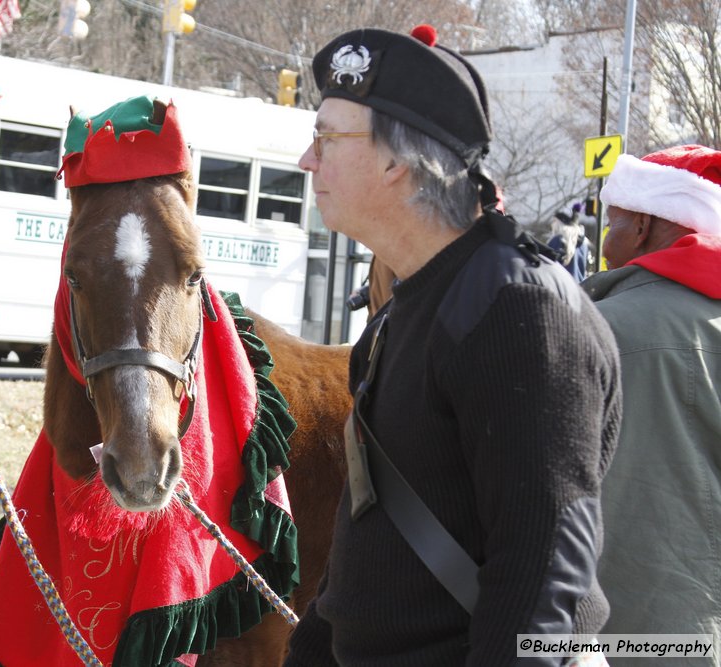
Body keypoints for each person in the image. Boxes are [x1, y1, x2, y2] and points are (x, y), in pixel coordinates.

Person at [284, 25, 621, 665]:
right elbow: (373, 539)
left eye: (327, 137)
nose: (308, 159)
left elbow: (543, 583)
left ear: (397, 163)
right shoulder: (410, 306)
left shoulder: (520, 313)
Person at [583, 144, 721, 664]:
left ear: (642, 225)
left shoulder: (592, 329)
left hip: (619, 633)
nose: (605, 242)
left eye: (612, 223)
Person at [547, 203, 593, 282]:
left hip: (561, 287)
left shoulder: (557, 240)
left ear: (561, 222)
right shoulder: (584, 243)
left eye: (555, 221)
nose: (552, 224)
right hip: (579, 288)